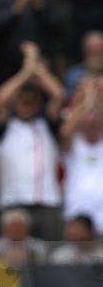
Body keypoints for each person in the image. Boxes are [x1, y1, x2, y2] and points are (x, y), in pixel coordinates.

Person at [0, 42, 64, 240]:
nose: (26, 103)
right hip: (13, 202)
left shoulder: (46, 124)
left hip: (47, 203)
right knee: (13, 262)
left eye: (31, 100)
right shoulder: (7, 125)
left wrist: (38, 69)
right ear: (15, 102)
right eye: (22, 99)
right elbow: (0, 98)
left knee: (48, 261)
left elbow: (58, 95)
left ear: (39, 103)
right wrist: (26, 70)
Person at [61, 77, 103, 235]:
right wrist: (87, 99)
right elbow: (66, 130)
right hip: (77, 214)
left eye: (95, 120)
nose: (91, 123)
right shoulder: (74, 144)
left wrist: (95, 98)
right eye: (87, 119)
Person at [64, 31, 103, 98]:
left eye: (98, 49)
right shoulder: (74, 73)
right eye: (91, 49)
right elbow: (68, 99)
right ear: (84, 51)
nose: (95, 54)